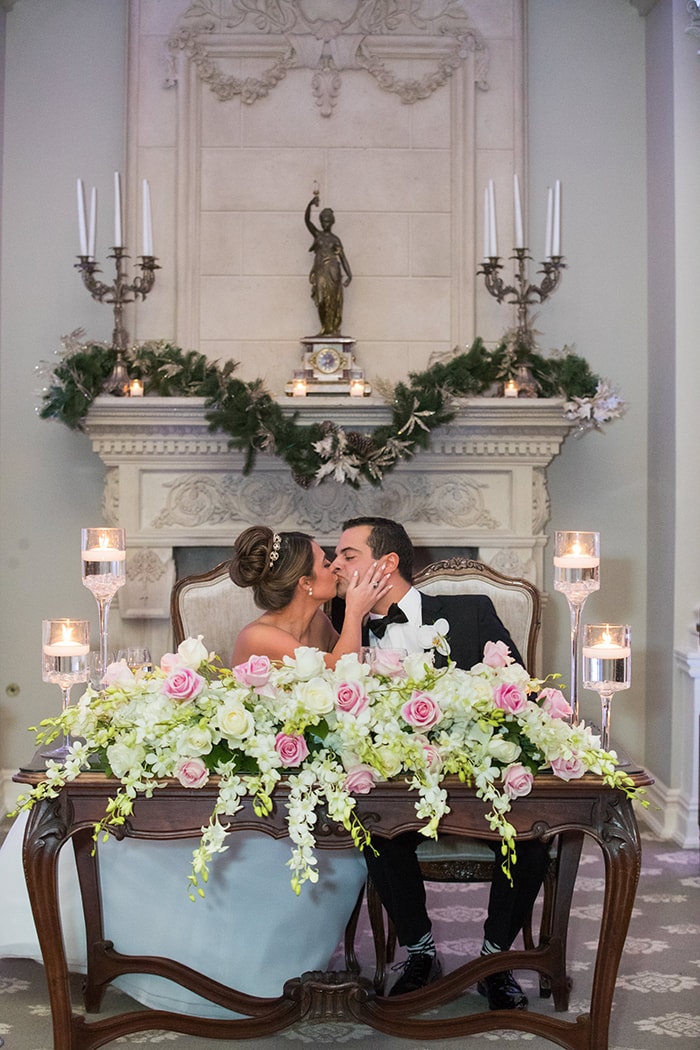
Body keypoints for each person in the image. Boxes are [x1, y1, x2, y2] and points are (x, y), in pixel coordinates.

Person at [0, 527, 391, 1020]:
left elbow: (347, 679)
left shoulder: (318, 627)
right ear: (304, 584)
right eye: (324, 559)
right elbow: (341, 679)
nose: (336, 565)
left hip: (291, 772)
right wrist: (355, 612)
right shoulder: (259, 635)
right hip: (246, 777)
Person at [331, 516, 550, 1008]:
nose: (335, 565)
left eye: (348, 556)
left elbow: (519, 693)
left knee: (533, 838)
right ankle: (421, 953)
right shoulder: (338, 626)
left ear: (386, 564)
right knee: (374, 828)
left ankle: (494, 961)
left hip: (475, 782)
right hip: (392, 787)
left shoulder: (471, 611)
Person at [305, 195, 352, 336]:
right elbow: (307, 221)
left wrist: (350, 275)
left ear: (331, 222)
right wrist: (310, 204)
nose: (325, 223)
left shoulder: (335, 239)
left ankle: (331, 330)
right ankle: (324, 329)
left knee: (332, 301)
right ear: (321, 222)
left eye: (328, 221)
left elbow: (343, 257)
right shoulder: (317, 235)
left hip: (333, 271)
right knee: (321, 300)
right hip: (320, 270)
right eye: (323, 221)